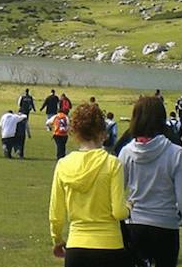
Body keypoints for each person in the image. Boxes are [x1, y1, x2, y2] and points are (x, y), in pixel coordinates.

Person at [118, 96, 182, 267]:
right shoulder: (175, 153)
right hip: (166, 226)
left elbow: (117, 191)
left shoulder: (126, 153)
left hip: (136, 225)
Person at [49, 104, 129, 266]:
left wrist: (57, 239)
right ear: (102, 132)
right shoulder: (112, 164)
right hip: (109, 245)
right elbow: (119, 212)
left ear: (75, 131)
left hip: (77, 245)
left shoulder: (63, 165)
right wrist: (129, 207)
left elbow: (56, 214)